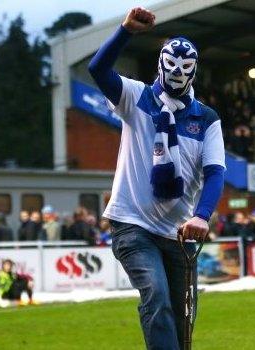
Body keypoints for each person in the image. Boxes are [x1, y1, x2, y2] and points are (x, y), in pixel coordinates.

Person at [88, 7, 225, 349]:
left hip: (178, 233)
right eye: (172, 64)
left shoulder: (206, 119)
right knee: (157, 295)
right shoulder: (136, 97)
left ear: (194, 73)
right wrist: (125, 31)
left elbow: (215, 173)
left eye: (185, 68)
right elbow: (98, 69)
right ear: (160, 64)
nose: (177, 72)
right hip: (131, 224)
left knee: (182, 317)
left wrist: (201, 215)